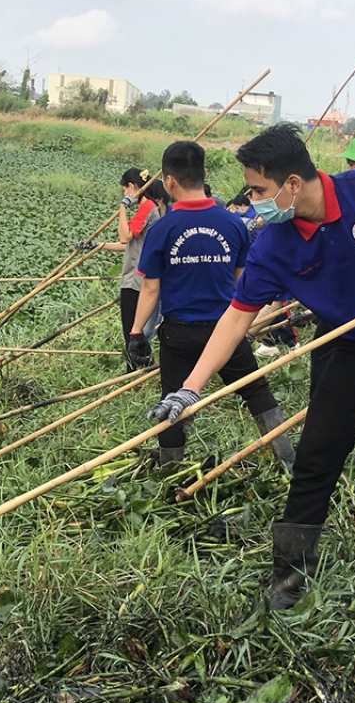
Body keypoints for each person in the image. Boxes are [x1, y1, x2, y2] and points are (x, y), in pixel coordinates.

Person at [146, 124, 355, 606]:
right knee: (315, 461)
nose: (254, 200)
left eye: (259, 190)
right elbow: (236, 318)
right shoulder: (274, 244)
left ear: (291, 184)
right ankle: (287, 581)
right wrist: (191, 388)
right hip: (354, 349)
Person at [125, 140, 297, 469]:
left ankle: (170, 469)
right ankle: (288, 460)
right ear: (204, 174)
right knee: (256, 390)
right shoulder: (233, 224)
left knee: (173, 398)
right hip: (225, 331)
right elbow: (240, 281)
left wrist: (136, 334)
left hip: (179, 334)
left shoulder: (162, 229)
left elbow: (150, 289)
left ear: (169, 182)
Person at [86, 169, 168, 349]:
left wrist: (122, 208)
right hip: (136, 277)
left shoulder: (147, 208)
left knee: (132, 333)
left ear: (131, 187)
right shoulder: (149, 208)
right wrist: (99, 245)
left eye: (125, 189)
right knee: (134, 333)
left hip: (136, 280)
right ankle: (136, 368)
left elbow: (125, 237)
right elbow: (129, 245)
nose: (125, 193)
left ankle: (135, 369)